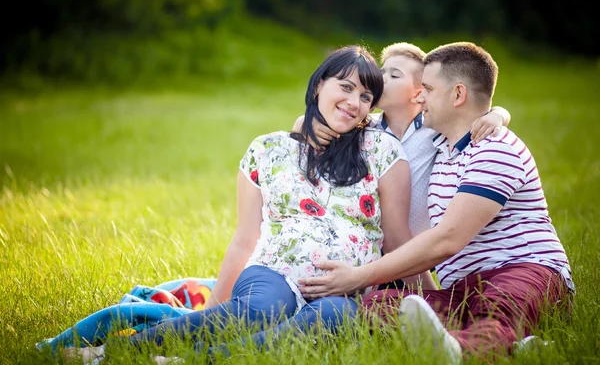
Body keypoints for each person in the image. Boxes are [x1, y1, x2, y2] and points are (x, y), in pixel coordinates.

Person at [68, 45, 427, 363]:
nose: (354, 102)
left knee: (337, 318)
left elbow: (397, 238)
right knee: (265, 308)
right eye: (345, 87)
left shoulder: (382, 151)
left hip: (346, 288)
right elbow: (245, 239)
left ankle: (199, 360)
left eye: (366, 96)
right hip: (273, 274)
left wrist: (437, 303)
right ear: (319, 85)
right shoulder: (267, 149)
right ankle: (110, 354)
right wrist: (212, 310)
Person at [297, 42, 573, 362]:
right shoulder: (441, 143)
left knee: (498, 308)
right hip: (463, 288)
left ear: (457, 95)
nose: (420, 96)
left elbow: (448, 240)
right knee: (378, 305)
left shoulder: (495, 148)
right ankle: (516, 346)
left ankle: (462, 349)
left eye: (427, 88)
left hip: (521, 269)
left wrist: (359, 276)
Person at [294, 42, 510, 290]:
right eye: (381, 71)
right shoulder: (364, 128)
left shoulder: (434, 130)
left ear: (422, 92)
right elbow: (307, 124)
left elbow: (475, 112)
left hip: (413, 255)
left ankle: (434, 305)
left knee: (412, 305)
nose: (380, 78)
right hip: (368, 249)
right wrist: (305, 123)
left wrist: (498, 115)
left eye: (393, 75)